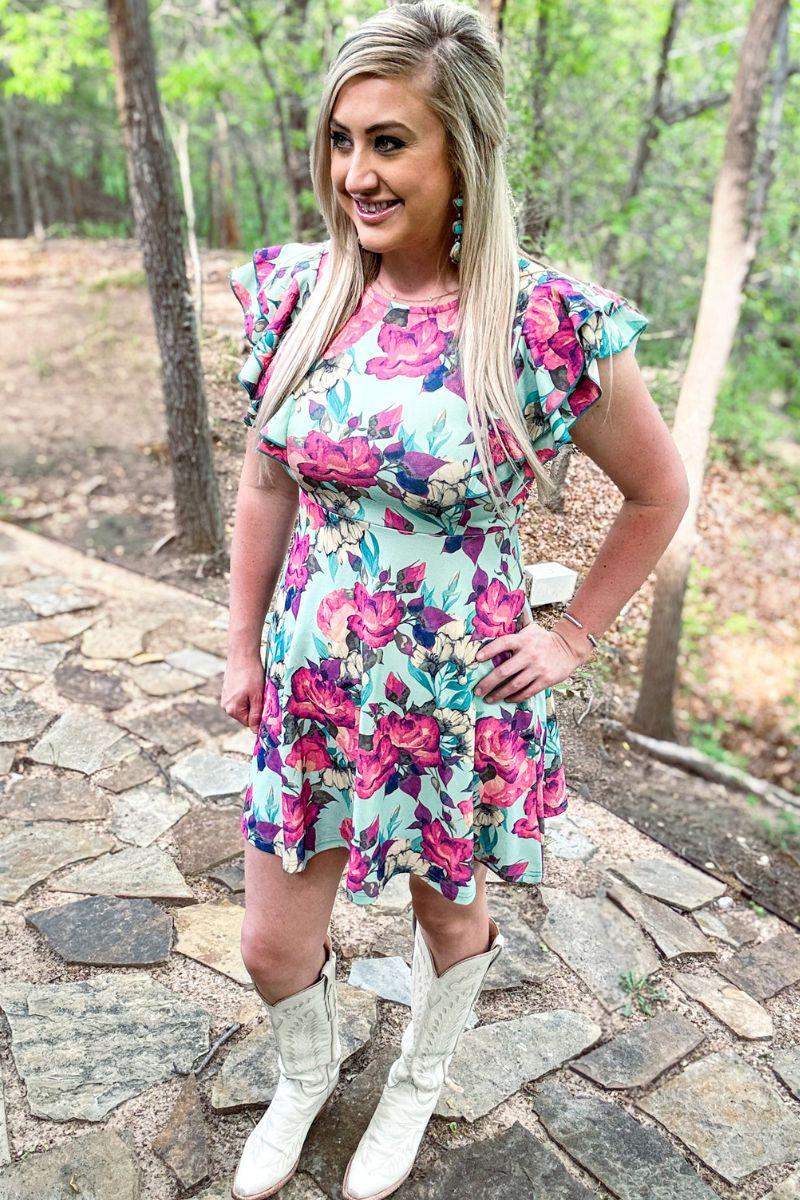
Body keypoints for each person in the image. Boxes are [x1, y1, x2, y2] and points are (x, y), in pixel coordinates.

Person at [221, 2, 689, 1197]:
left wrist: (570, 633)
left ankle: (417, 1080)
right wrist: (242, 647)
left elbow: (655, 491)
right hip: (314, 679)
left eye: (388, 142)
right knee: (271, 944)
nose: (355, 174)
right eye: (341, 141)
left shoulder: (540, 321)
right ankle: (306, 1075)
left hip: (451, 694)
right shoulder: (298, 293)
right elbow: (266, 483)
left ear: (460, 154)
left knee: (445, 918)